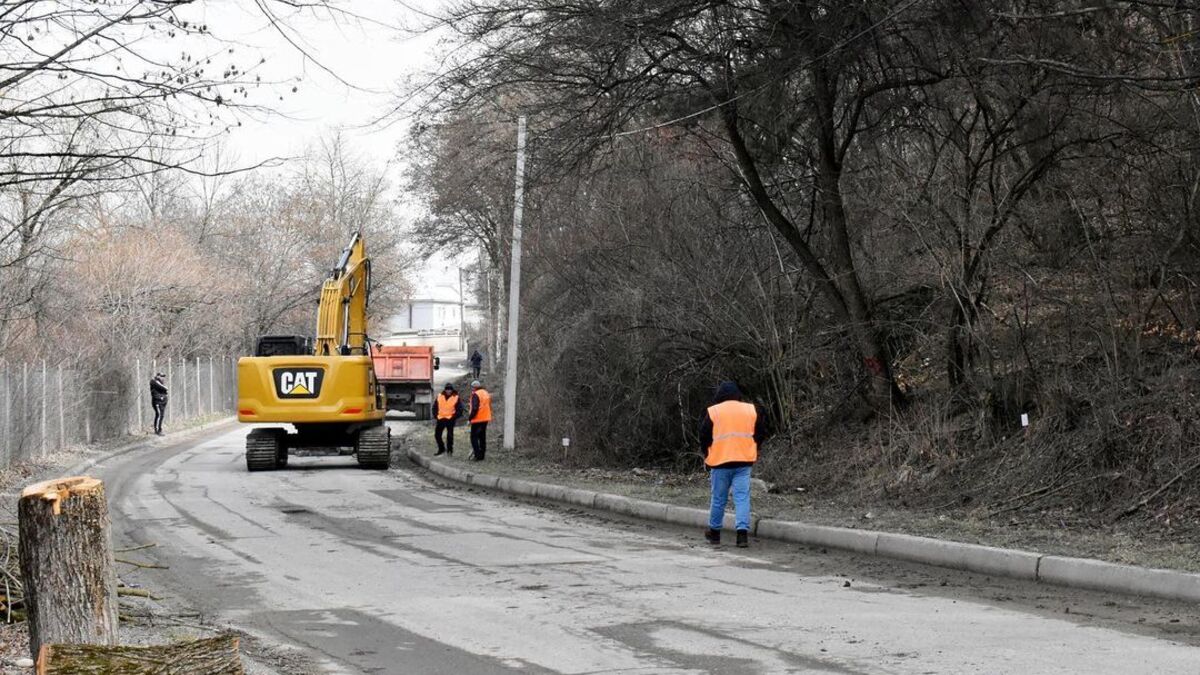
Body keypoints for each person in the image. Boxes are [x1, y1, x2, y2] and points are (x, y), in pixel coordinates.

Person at [699, 381, 765, 548]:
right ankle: (742, 536)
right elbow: (760, 433)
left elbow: (704, 435)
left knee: (719, 498)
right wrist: (754, 448)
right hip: (743, 461)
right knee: (742, 498)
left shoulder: (714, 411)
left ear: (720, 396)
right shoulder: (750, 410)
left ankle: (714, 534)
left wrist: (707, 454)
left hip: (720, 462)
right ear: (738, 395)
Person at [433, 383, 461, 456]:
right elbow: (435, 407)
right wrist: (435, 415)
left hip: (450, 419)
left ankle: (450, 451)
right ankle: (441, 448)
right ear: (445, 390)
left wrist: (454, 417)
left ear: (452, 390)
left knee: (450, 436)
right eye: (447, 389)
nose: (448, 391)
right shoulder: (440, 396)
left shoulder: (456, 397)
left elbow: (459, 410)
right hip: (440, 418)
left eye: (450, 389)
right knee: (437, 435)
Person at [467, 379, 491, 461]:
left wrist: (470, 418)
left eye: (472, 388)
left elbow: (474, 408)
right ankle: (482, 455)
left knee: (473, 437)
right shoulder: (485, 393)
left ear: (474, 387)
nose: (472, 389)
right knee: (482, 437)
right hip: (485, 418)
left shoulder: (476, 394)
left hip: (477, 419)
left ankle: (477, 455)